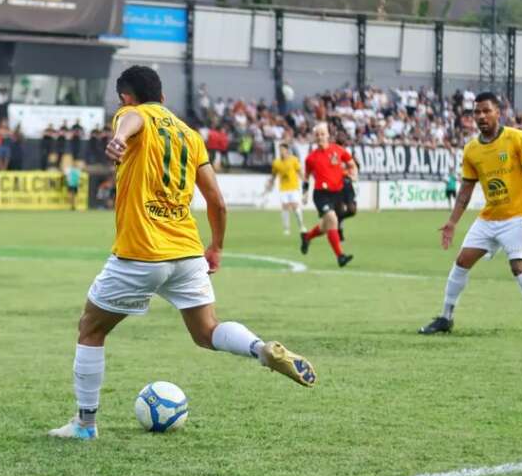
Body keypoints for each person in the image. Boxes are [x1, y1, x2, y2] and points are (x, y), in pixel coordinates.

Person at [48, 66, 316, 440]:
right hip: (187, 251)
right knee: (207, 331)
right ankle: (259, 348)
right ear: (164, 97)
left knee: (90, 329)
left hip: (141, 252)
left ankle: (85, 424)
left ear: (125, 97)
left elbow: (134, 118)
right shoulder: (190, 135)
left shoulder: (131, 115)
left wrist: (119, 139)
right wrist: (216, 247)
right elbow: (217, 202)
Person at [419, 93, 522, 338]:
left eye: (486, 111)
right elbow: (465, 191)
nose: (481, 116)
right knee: (461, 262)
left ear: (497, 112)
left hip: (517, 217)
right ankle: (446, 318)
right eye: (476, 112)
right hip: (489, 219)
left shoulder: (517, 138)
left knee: (519, 267)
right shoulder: (471, 150)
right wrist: (452, 222)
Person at [300, 122, 355, 267]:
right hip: (321, 195)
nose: (320, 137)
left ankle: (307, 237)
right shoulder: (310, 158)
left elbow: (351, 163)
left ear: (328, 135)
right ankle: (340, 256)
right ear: (314, 137)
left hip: (337, 193)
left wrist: (354, 174)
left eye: (322, 134)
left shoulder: (338, 150)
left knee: (325, 227)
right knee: (332, 220)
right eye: (317, 135)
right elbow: (306, 177)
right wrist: (304, 194)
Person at [265, 143, 306, 236]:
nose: (281, 152)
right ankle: (286, 229)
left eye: (283, 150)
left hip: (294, 187)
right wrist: (270, 183)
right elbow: (274, 175)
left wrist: (305, 182)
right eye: (280, 150)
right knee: (285, 207)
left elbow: (300, 172)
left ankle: (301, 226)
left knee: (295, 207)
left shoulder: (294, 160)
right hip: (283, 188)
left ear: (287, 150)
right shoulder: (276, 162)